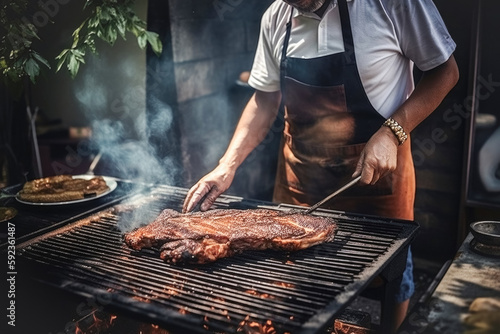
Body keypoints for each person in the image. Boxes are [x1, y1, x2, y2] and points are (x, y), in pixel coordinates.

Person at [183, 0, 459, 332]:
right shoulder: (276, 17)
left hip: (376, 177)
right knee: (293, 276)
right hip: (302, 179)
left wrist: (392, 132)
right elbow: (265, 98)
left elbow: (445, 71)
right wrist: (227, 165)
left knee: (391, 275)